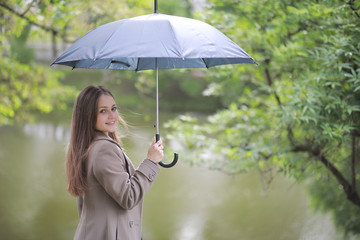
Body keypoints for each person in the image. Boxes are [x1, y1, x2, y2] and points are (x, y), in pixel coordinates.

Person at [66, 85, 164, 240]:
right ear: (88, 116)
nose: (112, 116)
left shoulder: (86, 146)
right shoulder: (104, 149)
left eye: (114, 108)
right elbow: (128, 197)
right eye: (103, 111)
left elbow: (85, 206)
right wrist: (151, 161)